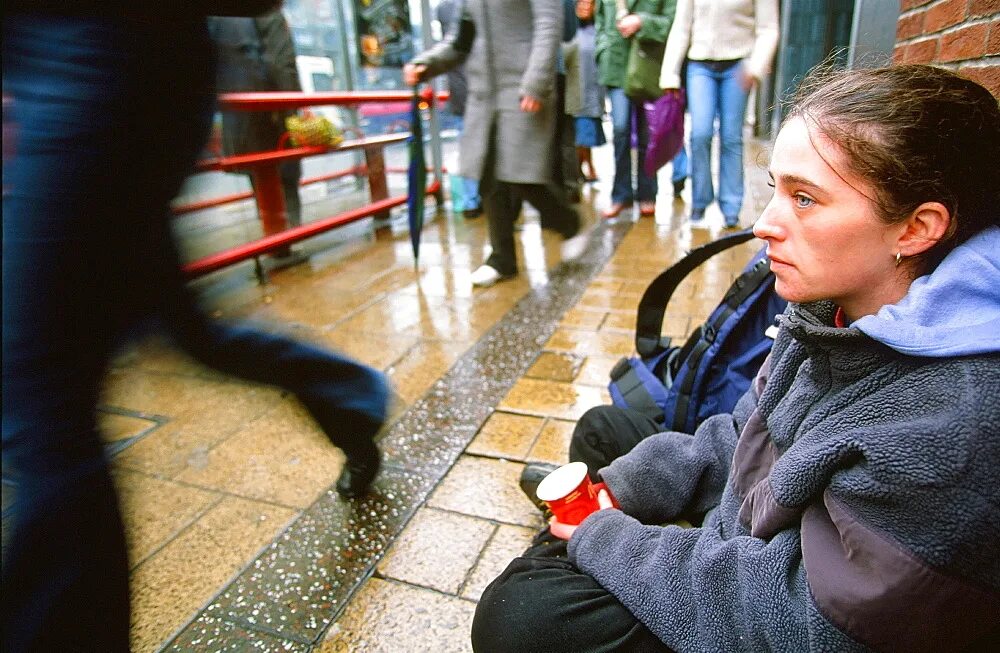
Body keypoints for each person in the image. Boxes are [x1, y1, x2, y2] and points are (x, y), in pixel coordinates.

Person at [471, 64, 1000, 652]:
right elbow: (749, 433)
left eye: (805, 199)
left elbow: (809, 622)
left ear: (917, 228)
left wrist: (606, 538)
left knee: (520, 615)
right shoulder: (836, 307)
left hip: (796, 610)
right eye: (776, 188)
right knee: (604, 436)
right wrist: (622, 492)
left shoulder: (953, 422)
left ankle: (568, 551)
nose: (764, 224)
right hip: (761, 529)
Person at [2, 5, 390, 650]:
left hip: (87, 74)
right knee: (186, 335)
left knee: (39, 400)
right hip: (100, 76)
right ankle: (352, 402)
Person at [404, 0, 584, 288]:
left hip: (524, 87)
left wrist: (537, 81)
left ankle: (567, 223)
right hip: (483, 94)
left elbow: (548, 26)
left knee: (524, 176)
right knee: (489, 177)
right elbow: (460, 41)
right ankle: (502, 259)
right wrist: (427, 64)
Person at [660, 0, 778, 228]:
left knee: (731, 137)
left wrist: (756, 66)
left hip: (738, 64)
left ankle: (731, 206)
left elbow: (768, 29)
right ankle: (700, 201)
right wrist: (670, 73)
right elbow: (681, 27)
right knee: (700, 134)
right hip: (700, 65)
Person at [209, 5, 305, 239]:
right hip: (272, 112)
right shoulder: (267, 11)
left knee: (260, 181)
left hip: (237, 111)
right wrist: (294, 112)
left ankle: (272, 238)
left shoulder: (217, 18)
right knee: (285, 178)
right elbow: (282, 64)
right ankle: (287, 240)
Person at [594, 0, 675, 220]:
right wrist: (602, 47)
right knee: (619, 129)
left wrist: (641, 22)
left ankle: (647, 193)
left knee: (647, 135)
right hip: (615, 66)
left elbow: (671, 22)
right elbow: (600, 19)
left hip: (646, 67)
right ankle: (621, 195)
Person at [435, 0, 483, 219]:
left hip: (461, 93)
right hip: (478, 92)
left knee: (468, 149)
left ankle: (471, 201)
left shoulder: (445, 9)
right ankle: (478, 200)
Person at [567, 0, 606, 185]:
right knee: (579, 135)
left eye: (589, 3)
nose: (584, 7)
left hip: (593, 91)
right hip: (574, 91)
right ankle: (581, 169)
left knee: (585, 135)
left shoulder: (599, 31)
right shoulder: (568, 31)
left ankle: (584, 167)